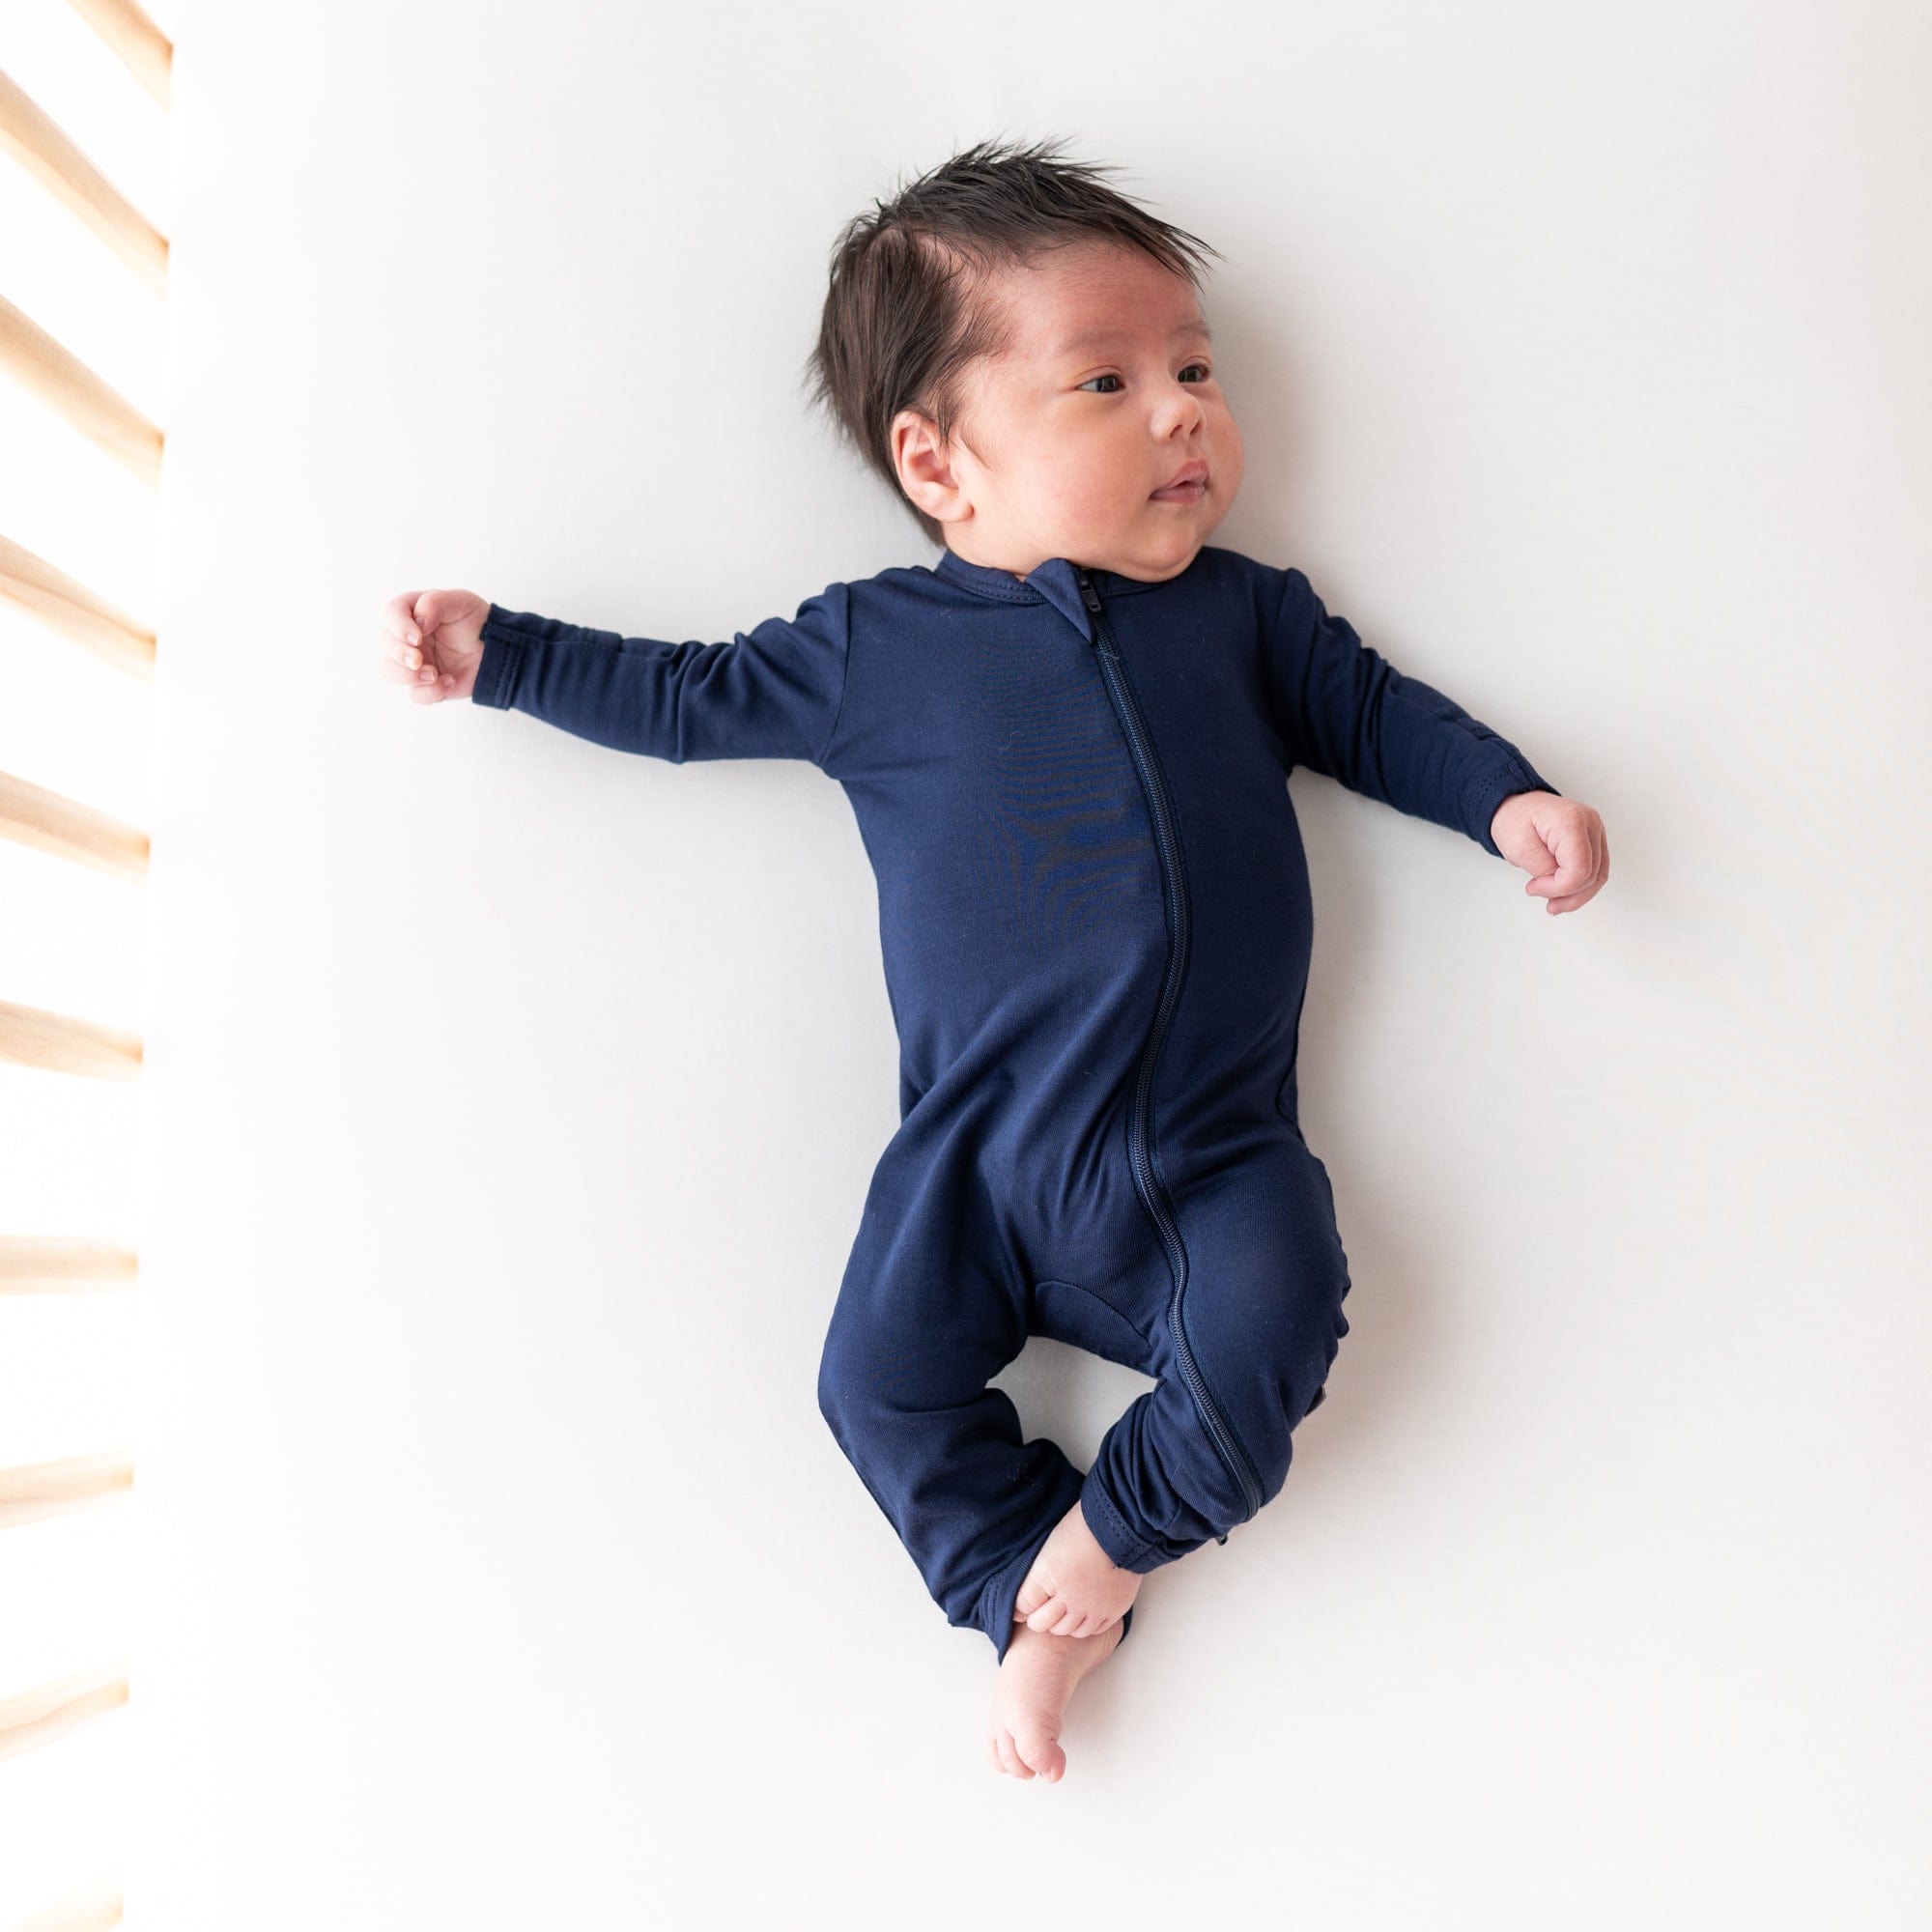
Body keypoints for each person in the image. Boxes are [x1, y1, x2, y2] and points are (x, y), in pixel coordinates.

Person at [377, 136, 1608, 1786]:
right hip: (968, 1158)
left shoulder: (1244, 621)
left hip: (1207, 1156)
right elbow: (683, 700)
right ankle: (1009, 1597)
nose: (1183, 410)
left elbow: (1375, 713)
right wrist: (501, 655)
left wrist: (1503, 794)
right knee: (870, 1387)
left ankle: (1101, 1556)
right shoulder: (870, 650)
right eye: (1106, 381)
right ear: (940, 463)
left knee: (1286, 1307)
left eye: (1195, 369)